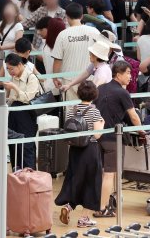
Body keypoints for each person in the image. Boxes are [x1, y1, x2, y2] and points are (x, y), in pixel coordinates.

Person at [95, 61, 143, 219]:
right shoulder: (122, 93)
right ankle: (102, 209)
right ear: (119, 74)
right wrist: (142, 131)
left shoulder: (100, 89)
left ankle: (103, 203)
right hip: (112, 138)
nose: (130, 76)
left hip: (98, 137)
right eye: (128, 73)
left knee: (103, 173)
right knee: (109, 174)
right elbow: (134, 117)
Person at [54, 81, 104, 228]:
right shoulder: (94, 112)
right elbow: (97, 135)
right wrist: (102, 123)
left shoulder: (71, 110)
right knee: (91, 182)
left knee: (75, 179)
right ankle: (84, 219)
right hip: (90, 151)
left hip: (75, 150)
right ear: (94, 94)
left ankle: (68, 207)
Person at [52, 3, 101, 100]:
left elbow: (58, 59)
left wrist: (55, 77)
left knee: (71, 112)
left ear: (67, 16)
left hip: (68, 80)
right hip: (90, 80)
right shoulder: (94, 31)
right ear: (82, 16)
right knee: (89, 111)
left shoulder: (63, 35)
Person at [3, 54, 39, 170]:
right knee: (14, 145)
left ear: (19, 65)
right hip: (14, 113)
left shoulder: (31, 77)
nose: (10, 72)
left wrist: (14, 87)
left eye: (11, 68)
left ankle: (30, 174)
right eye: (8, 69)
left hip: (26, 114)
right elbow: (12, 98)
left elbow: (27, 98)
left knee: (27, 145)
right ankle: (17, 173)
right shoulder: (13, 78)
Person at [36, 17, 67, 90]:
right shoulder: (48, 45)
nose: (38, 32)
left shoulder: (57, 46)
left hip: (56, 84)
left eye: (41, 30)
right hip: (53, 83)